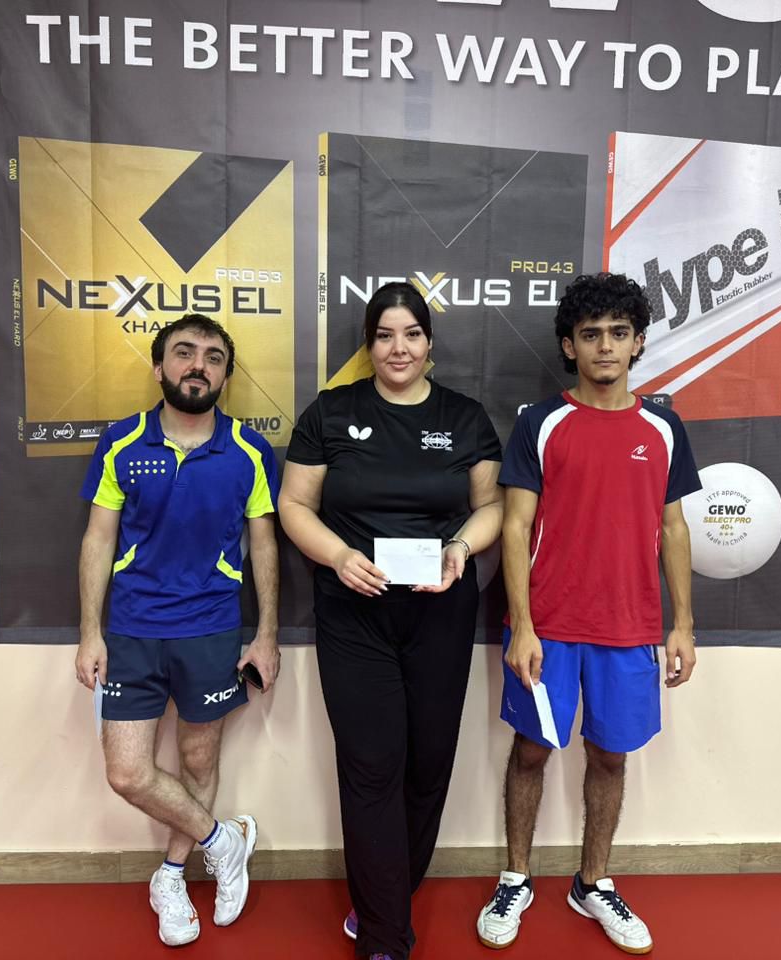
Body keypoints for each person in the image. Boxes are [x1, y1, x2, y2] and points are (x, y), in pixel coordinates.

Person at [475, 273, 701, 955]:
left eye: (618, 333)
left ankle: (592, 882)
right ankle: (516, 877)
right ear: (570, 346)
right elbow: (515, 527)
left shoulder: (663, 427)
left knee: (609, 756)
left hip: (629, 630)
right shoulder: (541, 423)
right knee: (532, 750)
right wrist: (522, 625)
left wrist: (683, 625)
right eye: (591, 334)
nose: (605, 346)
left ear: (638, 342)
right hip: (548, 627)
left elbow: (674, 528)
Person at [278, 282, 504, 960]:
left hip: (440, 610)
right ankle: (384, 936)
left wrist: (460, 547)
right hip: (354, 612)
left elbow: (491, 507)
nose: (397, 348)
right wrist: (339, 556)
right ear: (369, 344)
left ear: (429, 343)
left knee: (428, 763)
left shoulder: (464, 417)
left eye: (410, 334)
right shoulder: (332, 412)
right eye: (384, 335)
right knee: (372, 764)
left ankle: (387, 894)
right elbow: (294, 504)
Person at [74, 313, 280, 948]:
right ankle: (225, 840)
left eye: (213, 358)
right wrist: (90, 632)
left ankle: (170, 875)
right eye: (184, 353)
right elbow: (98, 538)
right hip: (132, 631)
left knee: (198, 760)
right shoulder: (121, 443)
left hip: (211, 630)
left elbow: (264, 546)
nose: (198, 366)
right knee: (126, 772)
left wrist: (266, 634)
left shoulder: (249, 450)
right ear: (159, 366)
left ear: (225, 375)